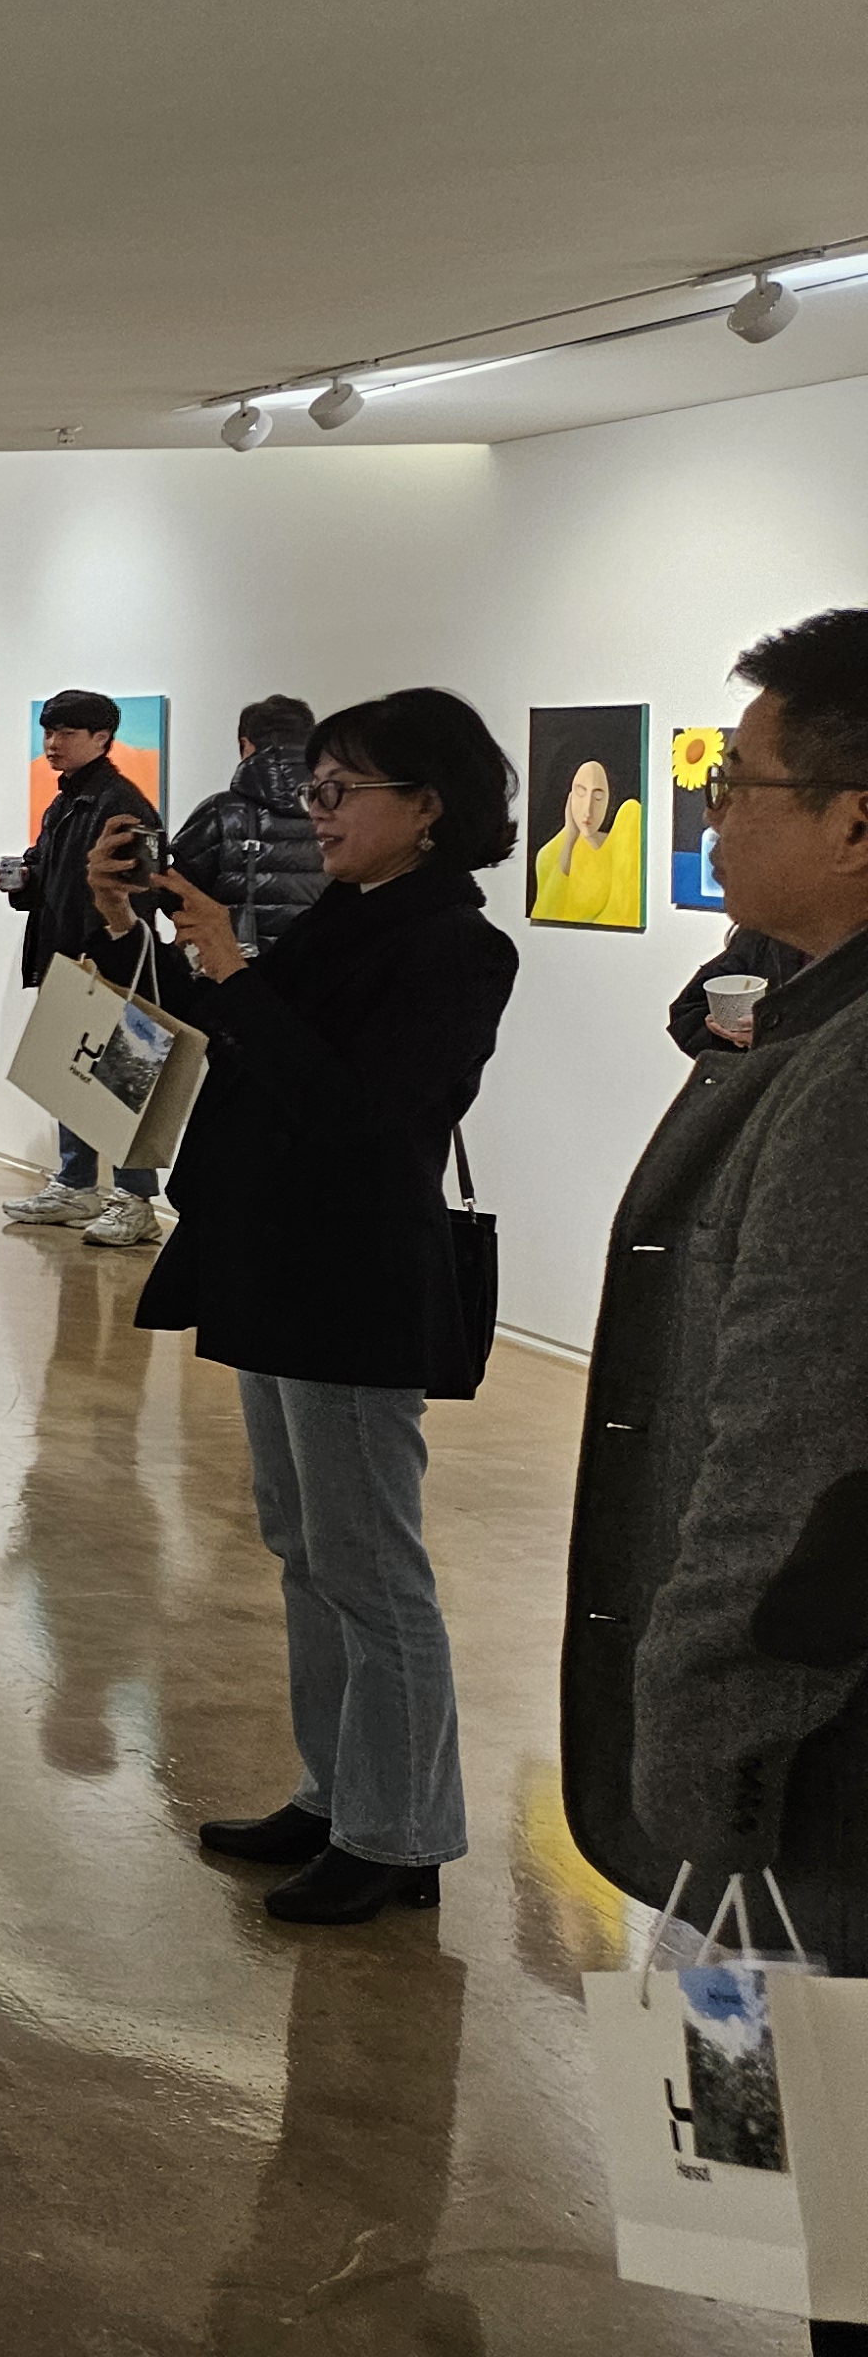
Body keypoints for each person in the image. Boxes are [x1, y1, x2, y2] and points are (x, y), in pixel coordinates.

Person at [90, 690, 520, 1926]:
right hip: (279, 1264)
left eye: (338, 793)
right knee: (304, 1551)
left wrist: (233, 966)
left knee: (371, 1568)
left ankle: (399, 1835)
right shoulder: (351, 912)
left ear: (426, 808)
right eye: (312, 789)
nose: (314, 813)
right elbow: (242, 1039)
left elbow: (361, 1119)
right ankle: (337, 1796)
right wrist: (141, 933)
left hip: (353, 1280)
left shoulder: (456, 946)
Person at [568, 609, 868, 2054]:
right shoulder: (801, 1021)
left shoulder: (849, 1085)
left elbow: (797, 1451)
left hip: (812, 1781)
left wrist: (701, 1745)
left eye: (736, 783)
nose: (711, 813)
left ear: (855, 824)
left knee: (781, 2138)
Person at [3, 688, 165, 1247]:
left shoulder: (122, 805)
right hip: (69, 957)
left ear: (102, 738)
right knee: (71, 1076)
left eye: (66, 733)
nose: (52, 744)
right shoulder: (67, 801)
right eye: (48, 732)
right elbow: (52, 875)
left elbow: (142, 888)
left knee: (121, 1081)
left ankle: (135, 1201)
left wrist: (109, 945)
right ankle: (75, 1185)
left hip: (112, 962)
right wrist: (25, 880)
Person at [174, 695, 325, 954]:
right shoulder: (336, 810)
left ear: (246, 744)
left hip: (234, 962)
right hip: (320, 962)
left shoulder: (221, 812)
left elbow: (176, 890)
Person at [531, 745, 648, 926]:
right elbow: (542, 918)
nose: (588, 810)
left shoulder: (627, 829)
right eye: (580, 792)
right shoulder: (548, 855)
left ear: (611, 798)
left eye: (598, 797)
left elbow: (624, 915)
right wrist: (570, 840)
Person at [668, 922, 812, 1056]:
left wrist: (775, 1034)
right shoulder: (763, 932)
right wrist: (734, 1032)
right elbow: (689, 1016)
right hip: (759, 1067)